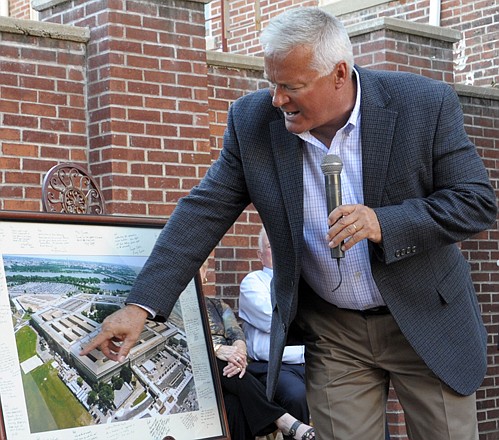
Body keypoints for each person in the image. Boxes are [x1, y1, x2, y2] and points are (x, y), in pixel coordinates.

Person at [80, 7, 497, 440]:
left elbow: (476, 202)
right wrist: (140, 306)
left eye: (291, 86)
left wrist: (383, 223)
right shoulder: (253, 122)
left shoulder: (422, 104)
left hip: (425, 318)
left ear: (339, 74)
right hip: (336, 333)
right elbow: (201, 213)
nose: (277, 98)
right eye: (272, 83)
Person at [204, 295, 315, 440]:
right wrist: (216, 349)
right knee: (219, 360)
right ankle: (282, 419)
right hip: (202, 369)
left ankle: (280, 419)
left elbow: (236, 334)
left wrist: (239, 353)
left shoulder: (216, 304)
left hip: (230, 373)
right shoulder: (168, 305)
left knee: (235, 404)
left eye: (201, 270)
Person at [239, 227, 309, 424]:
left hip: (313, 361)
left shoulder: (305, 282)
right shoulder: (253, 283)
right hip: (274, 367)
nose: (279, 249)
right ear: (260, 256)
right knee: (297, 396)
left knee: (355, 389)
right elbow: (273, 320)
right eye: (271, 246)